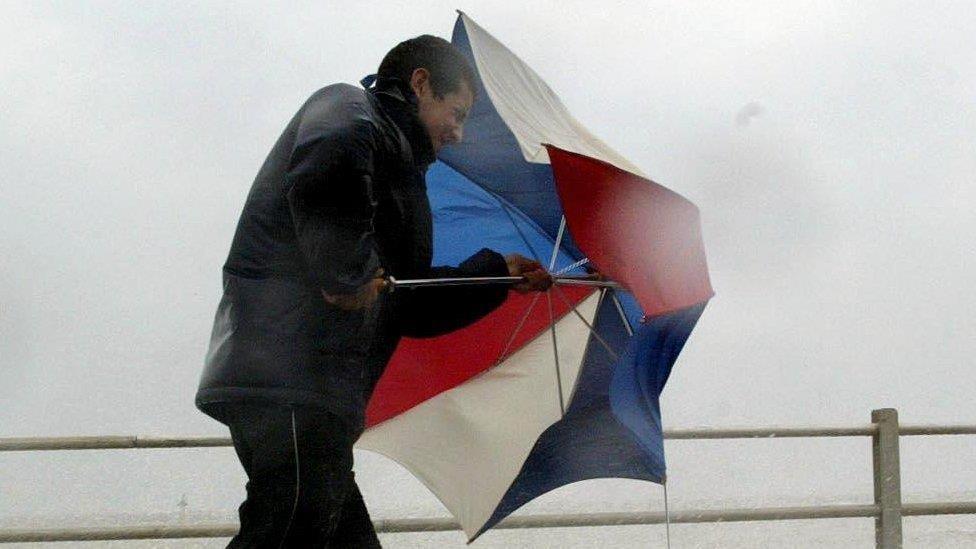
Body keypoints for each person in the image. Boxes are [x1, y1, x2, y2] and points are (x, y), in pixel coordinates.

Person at [195, 34, 551, 548]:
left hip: (321, 388)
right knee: (289, 527)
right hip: (289, 374)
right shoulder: (348, 109)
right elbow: (328, 165)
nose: (458, 131)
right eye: (457, 112)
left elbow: (405, 301)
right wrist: (347, 274)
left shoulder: (401, 171)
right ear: (420, 84)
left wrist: (499, 273)